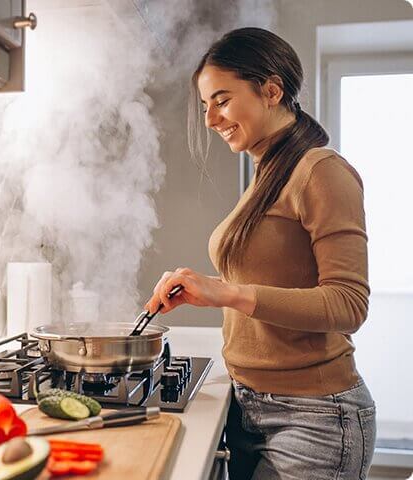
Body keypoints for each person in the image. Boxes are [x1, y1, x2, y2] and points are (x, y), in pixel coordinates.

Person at [145, 27, 376, 479]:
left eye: (222, 100)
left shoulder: (321, 171)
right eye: (206, 105)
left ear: (271, 91)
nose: (211, 118)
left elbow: (350, 305)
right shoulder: (267, 172)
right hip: (250, 405)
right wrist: (202, 288)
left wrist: (226, 293)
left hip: (314, 419)